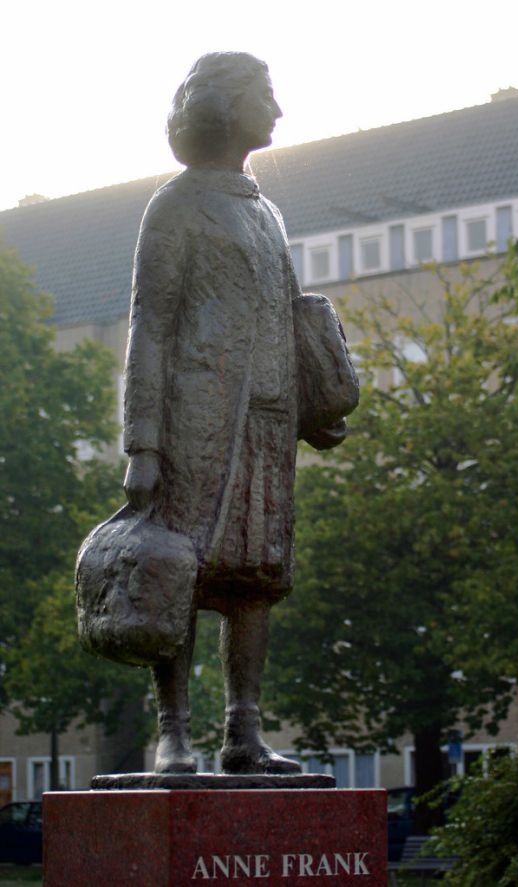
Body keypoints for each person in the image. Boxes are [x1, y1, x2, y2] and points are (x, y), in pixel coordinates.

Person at [123, 52, 346, 774]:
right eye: (266, 96)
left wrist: (316, 395)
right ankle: (174, 730)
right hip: (198, 415)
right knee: (180, 567)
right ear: (224, 106)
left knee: (256, 574)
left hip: (269, 419)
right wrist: (143, 444)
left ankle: (243, 730)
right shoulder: (176, 204)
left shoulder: (267, 210)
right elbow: (149, 324)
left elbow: (284, 311)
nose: (277, 111)